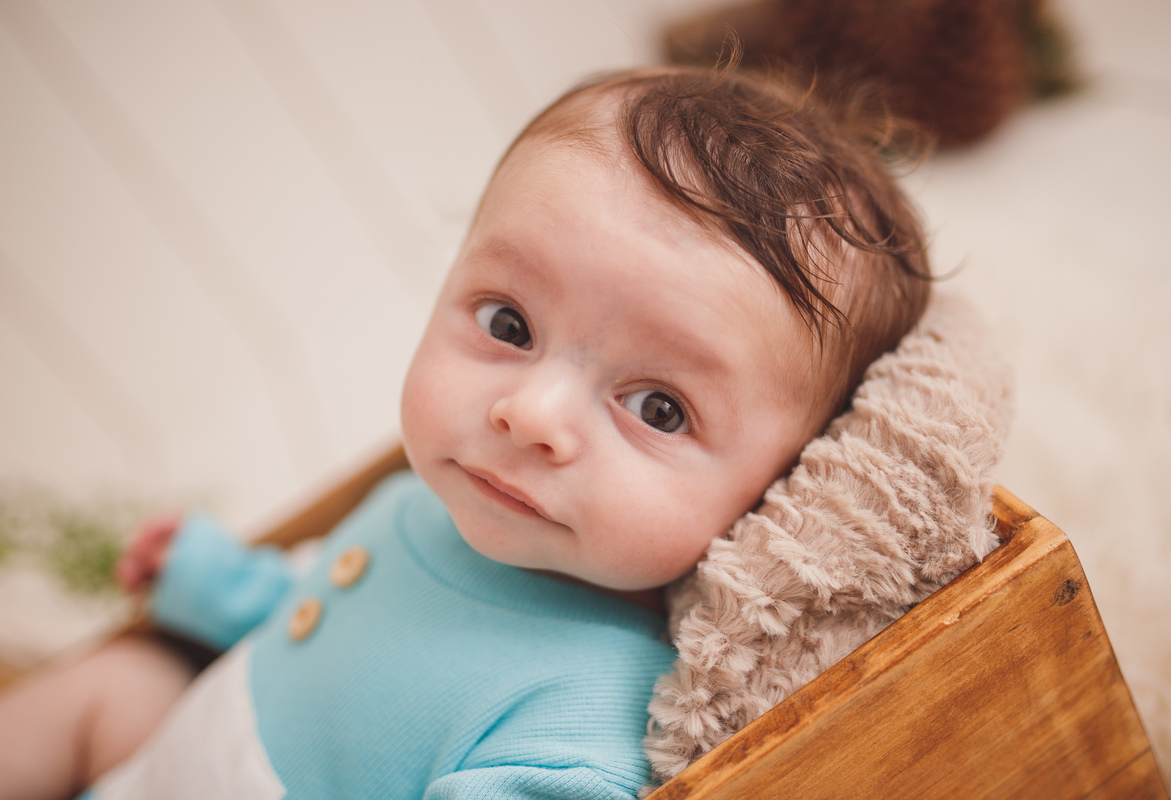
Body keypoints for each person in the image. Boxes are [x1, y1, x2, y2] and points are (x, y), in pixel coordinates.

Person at [0, 63, 930, 800]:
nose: (531, 415)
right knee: (117, 686)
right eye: (510, 325)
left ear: (784, 488)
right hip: (167, 754)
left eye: (658, 408)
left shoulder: (586, 709)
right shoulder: (420, 506)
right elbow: (306, 600)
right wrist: (202, 577)